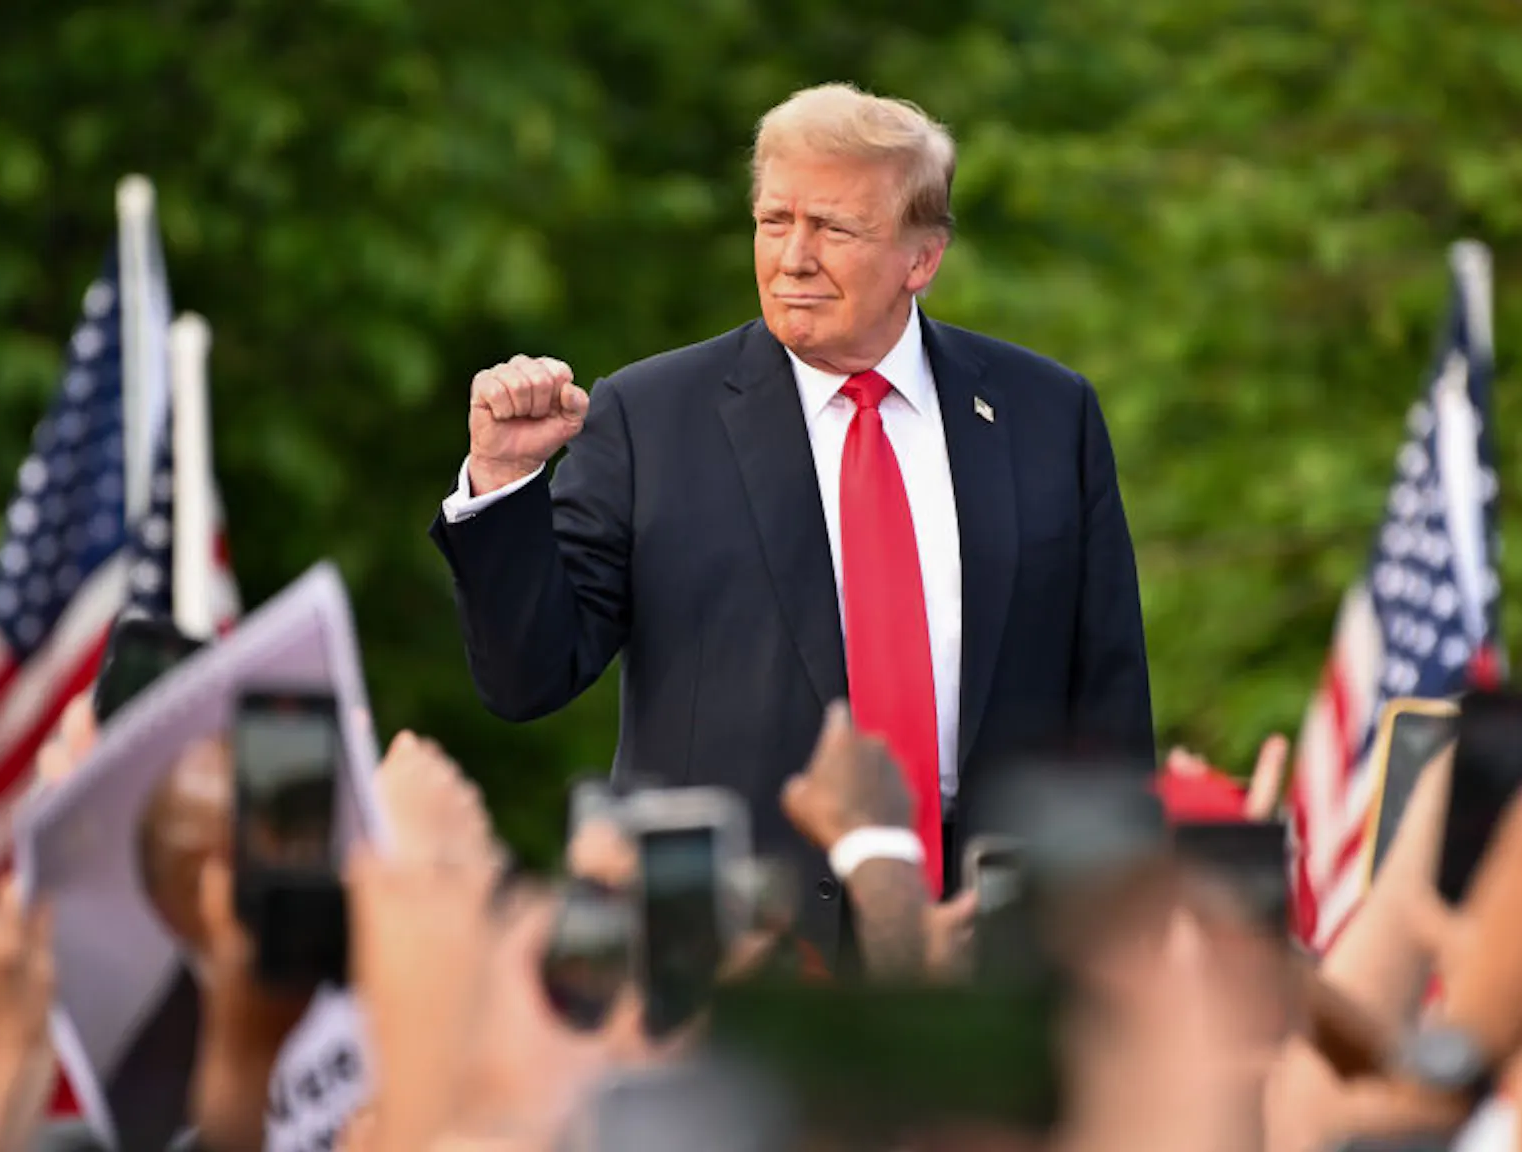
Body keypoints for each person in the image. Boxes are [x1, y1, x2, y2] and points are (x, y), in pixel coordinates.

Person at [429, 82, 1155, 954]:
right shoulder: (652, 417)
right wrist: (505, 484)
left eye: (834, 229)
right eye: (775, 222)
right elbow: (526, 679)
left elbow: (1109, 710)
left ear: (922, 258)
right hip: (736, 952)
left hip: (992, 945)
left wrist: (1119, 940)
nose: (793, 258)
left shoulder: (1048, 415)